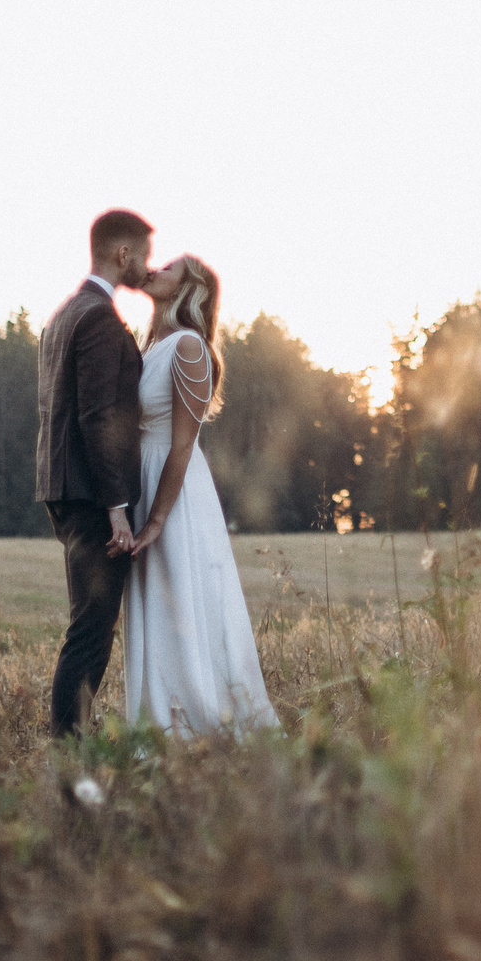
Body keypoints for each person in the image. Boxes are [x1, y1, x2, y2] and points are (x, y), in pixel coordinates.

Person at [119, 253, 277, 735]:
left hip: (174, 488)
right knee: (155, 601)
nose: (155, 268)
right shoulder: (154, 345)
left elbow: (183, 444)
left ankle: (197, 719)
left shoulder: (188, 346)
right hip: (143, 479)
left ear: (191, 289)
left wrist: (157, 520)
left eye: (169, 267)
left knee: (182, 595)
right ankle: (159, 717)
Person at [34, 208, 153, 737]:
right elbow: (98, 416)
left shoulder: (63, 313)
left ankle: (71, 742)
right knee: (90, 633)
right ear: (123, 254)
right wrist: (117, 507)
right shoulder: (100, 318)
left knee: (89, 627)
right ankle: (68, 749)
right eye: (144, 255)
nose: (147, 266)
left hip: (63, 488)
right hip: (91, 495)